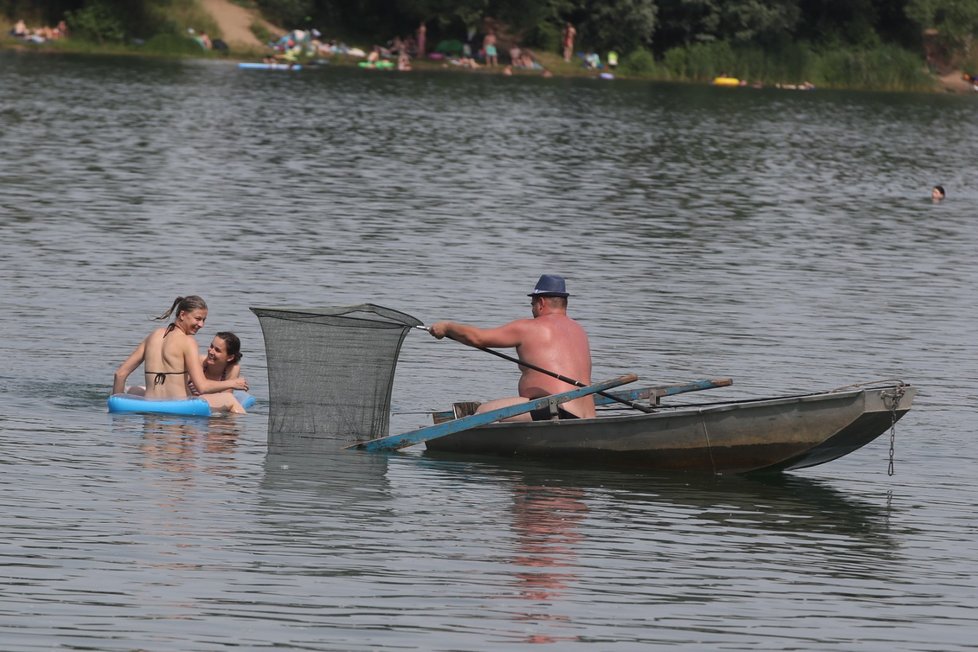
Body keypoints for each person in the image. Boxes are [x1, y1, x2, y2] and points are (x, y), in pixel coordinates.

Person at [428, 274, 595, 421]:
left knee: (481, 412)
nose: (532, 310)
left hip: (556, 411)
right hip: (588, 415)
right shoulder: (580, 331)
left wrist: (447, 327)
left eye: (532, 304)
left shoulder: (530, 327)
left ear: (541, 303)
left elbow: (478, 338)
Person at [113, 296, 249, 413]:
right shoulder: (188, 341)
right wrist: (233, 383)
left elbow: (120, 374)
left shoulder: (153, 336)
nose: (201, 324)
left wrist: (115, 407)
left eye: (204, 320)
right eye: (198, 319)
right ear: (182, 315)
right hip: (179, 408)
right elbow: (202, 386)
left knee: (132, 389)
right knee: (230, 399)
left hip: (151, 404)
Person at [188, 332, 243, 396]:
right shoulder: (199, 362)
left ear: (230, 357)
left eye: (217, 350)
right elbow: (179, 384)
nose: (211, 352)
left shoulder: (233, 368)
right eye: (211, 346)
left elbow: (226, 397)